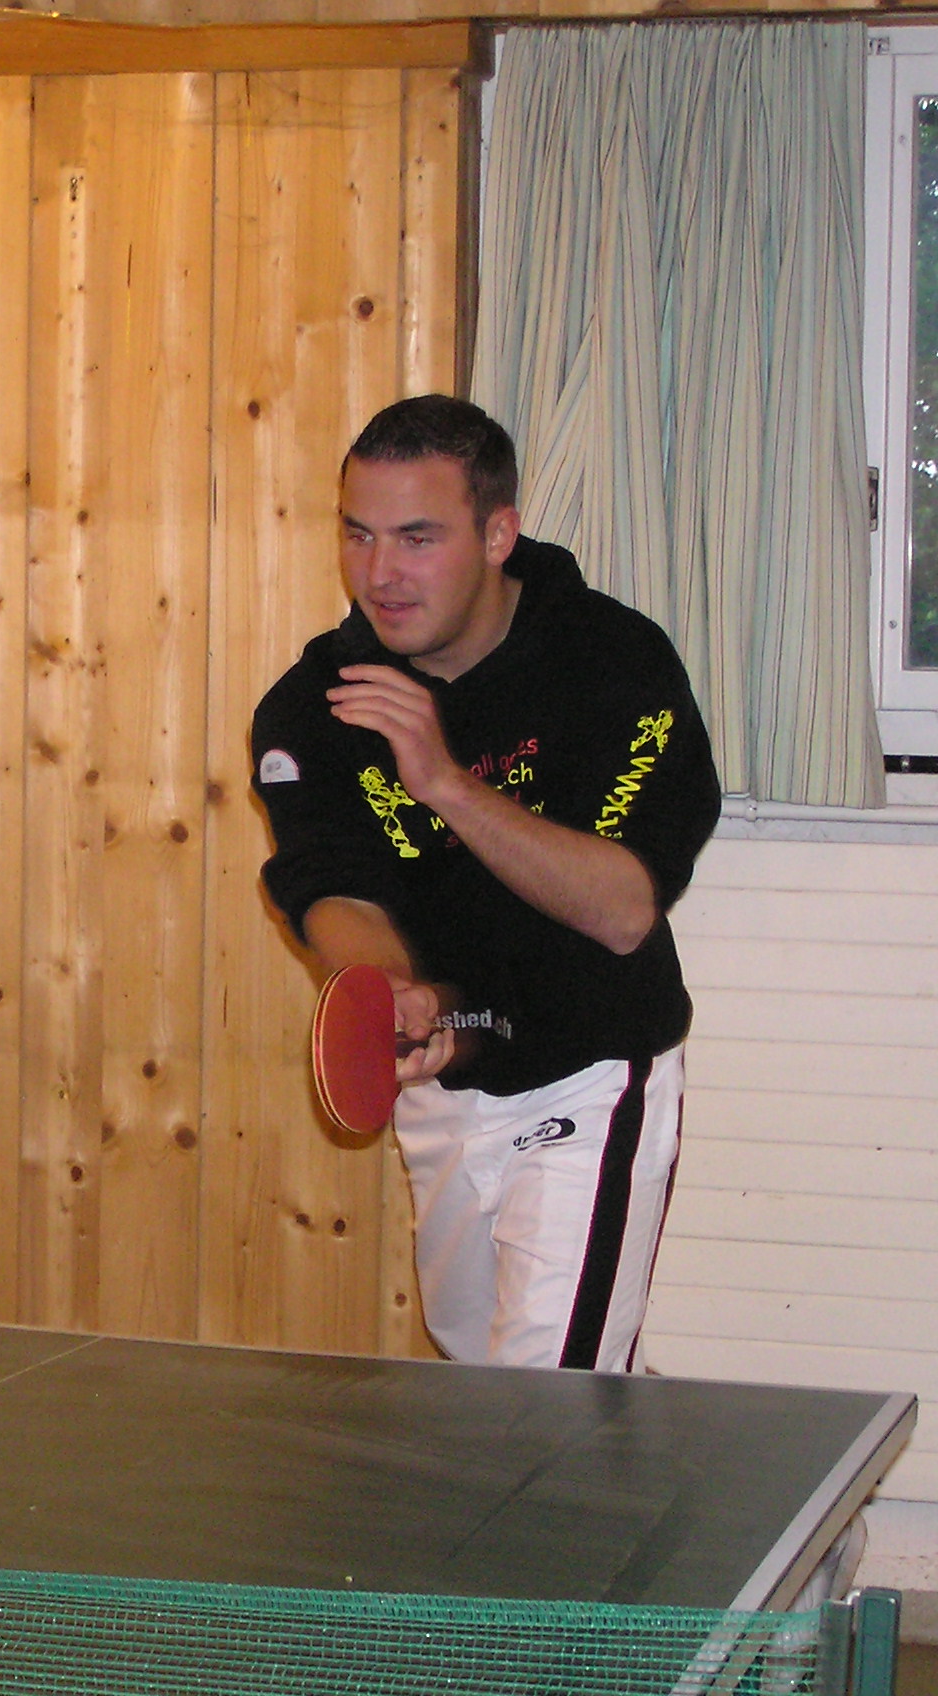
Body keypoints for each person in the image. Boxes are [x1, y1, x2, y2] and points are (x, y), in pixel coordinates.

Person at [251, 395, 721, 1371]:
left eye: (417, 538)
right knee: (483, 1376)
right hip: (448, 1086)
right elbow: (334, 887)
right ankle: (682, 1467)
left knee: (543, 1397)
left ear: (497, 534)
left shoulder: (613, 665)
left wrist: (444, 784)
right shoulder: (311, 706)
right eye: (358, 534)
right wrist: (393, 986)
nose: (380, 572)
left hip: (591, 1073)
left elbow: (623, 909)